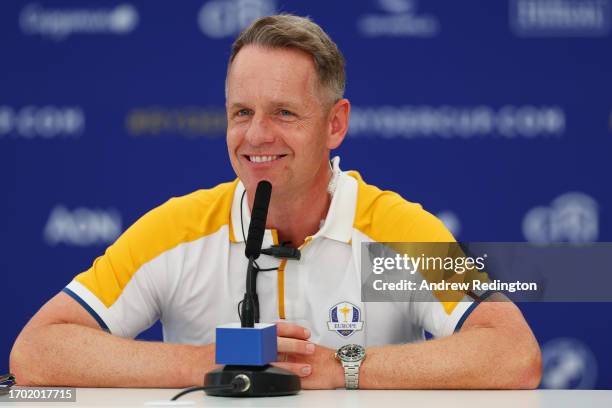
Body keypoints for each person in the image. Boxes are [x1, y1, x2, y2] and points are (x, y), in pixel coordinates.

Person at [10, 14, 541, 390]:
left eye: (284, 113)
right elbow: (37, 351)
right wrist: (202, 363)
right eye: (241, 112)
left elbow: (513, 353)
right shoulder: (179, 228)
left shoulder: (394, 230)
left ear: (335, 124)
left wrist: (341, 368)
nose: (256, 135)